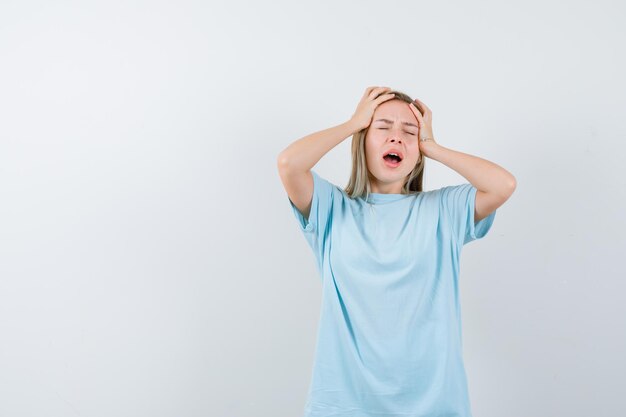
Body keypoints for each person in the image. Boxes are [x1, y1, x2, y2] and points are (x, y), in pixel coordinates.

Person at [276, 86, 516, 417]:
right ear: (363, 138)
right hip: (343, 406)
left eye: (409, 132)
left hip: (435, 406)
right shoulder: (331, 208)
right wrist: (352, 123)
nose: (396, 139)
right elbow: (289, 164)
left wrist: (434, 147)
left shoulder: (443, 210)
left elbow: (503, 185)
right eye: (382, 127)